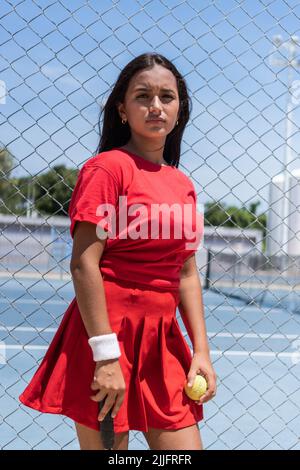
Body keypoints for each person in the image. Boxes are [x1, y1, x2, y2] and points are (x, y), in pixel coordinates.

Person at [19, 52, 217, 450]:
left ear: (181, 109)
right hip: (107, 336)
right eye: (143, 96)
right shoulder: (106, 169)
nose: (156, 106)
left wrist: (202, 351)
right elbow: (83, 264)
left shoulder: (182, 184)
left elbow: (186, 272)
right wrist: (106, 356)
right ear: (123, 110)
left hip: (163, 341)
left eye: (167, 96)